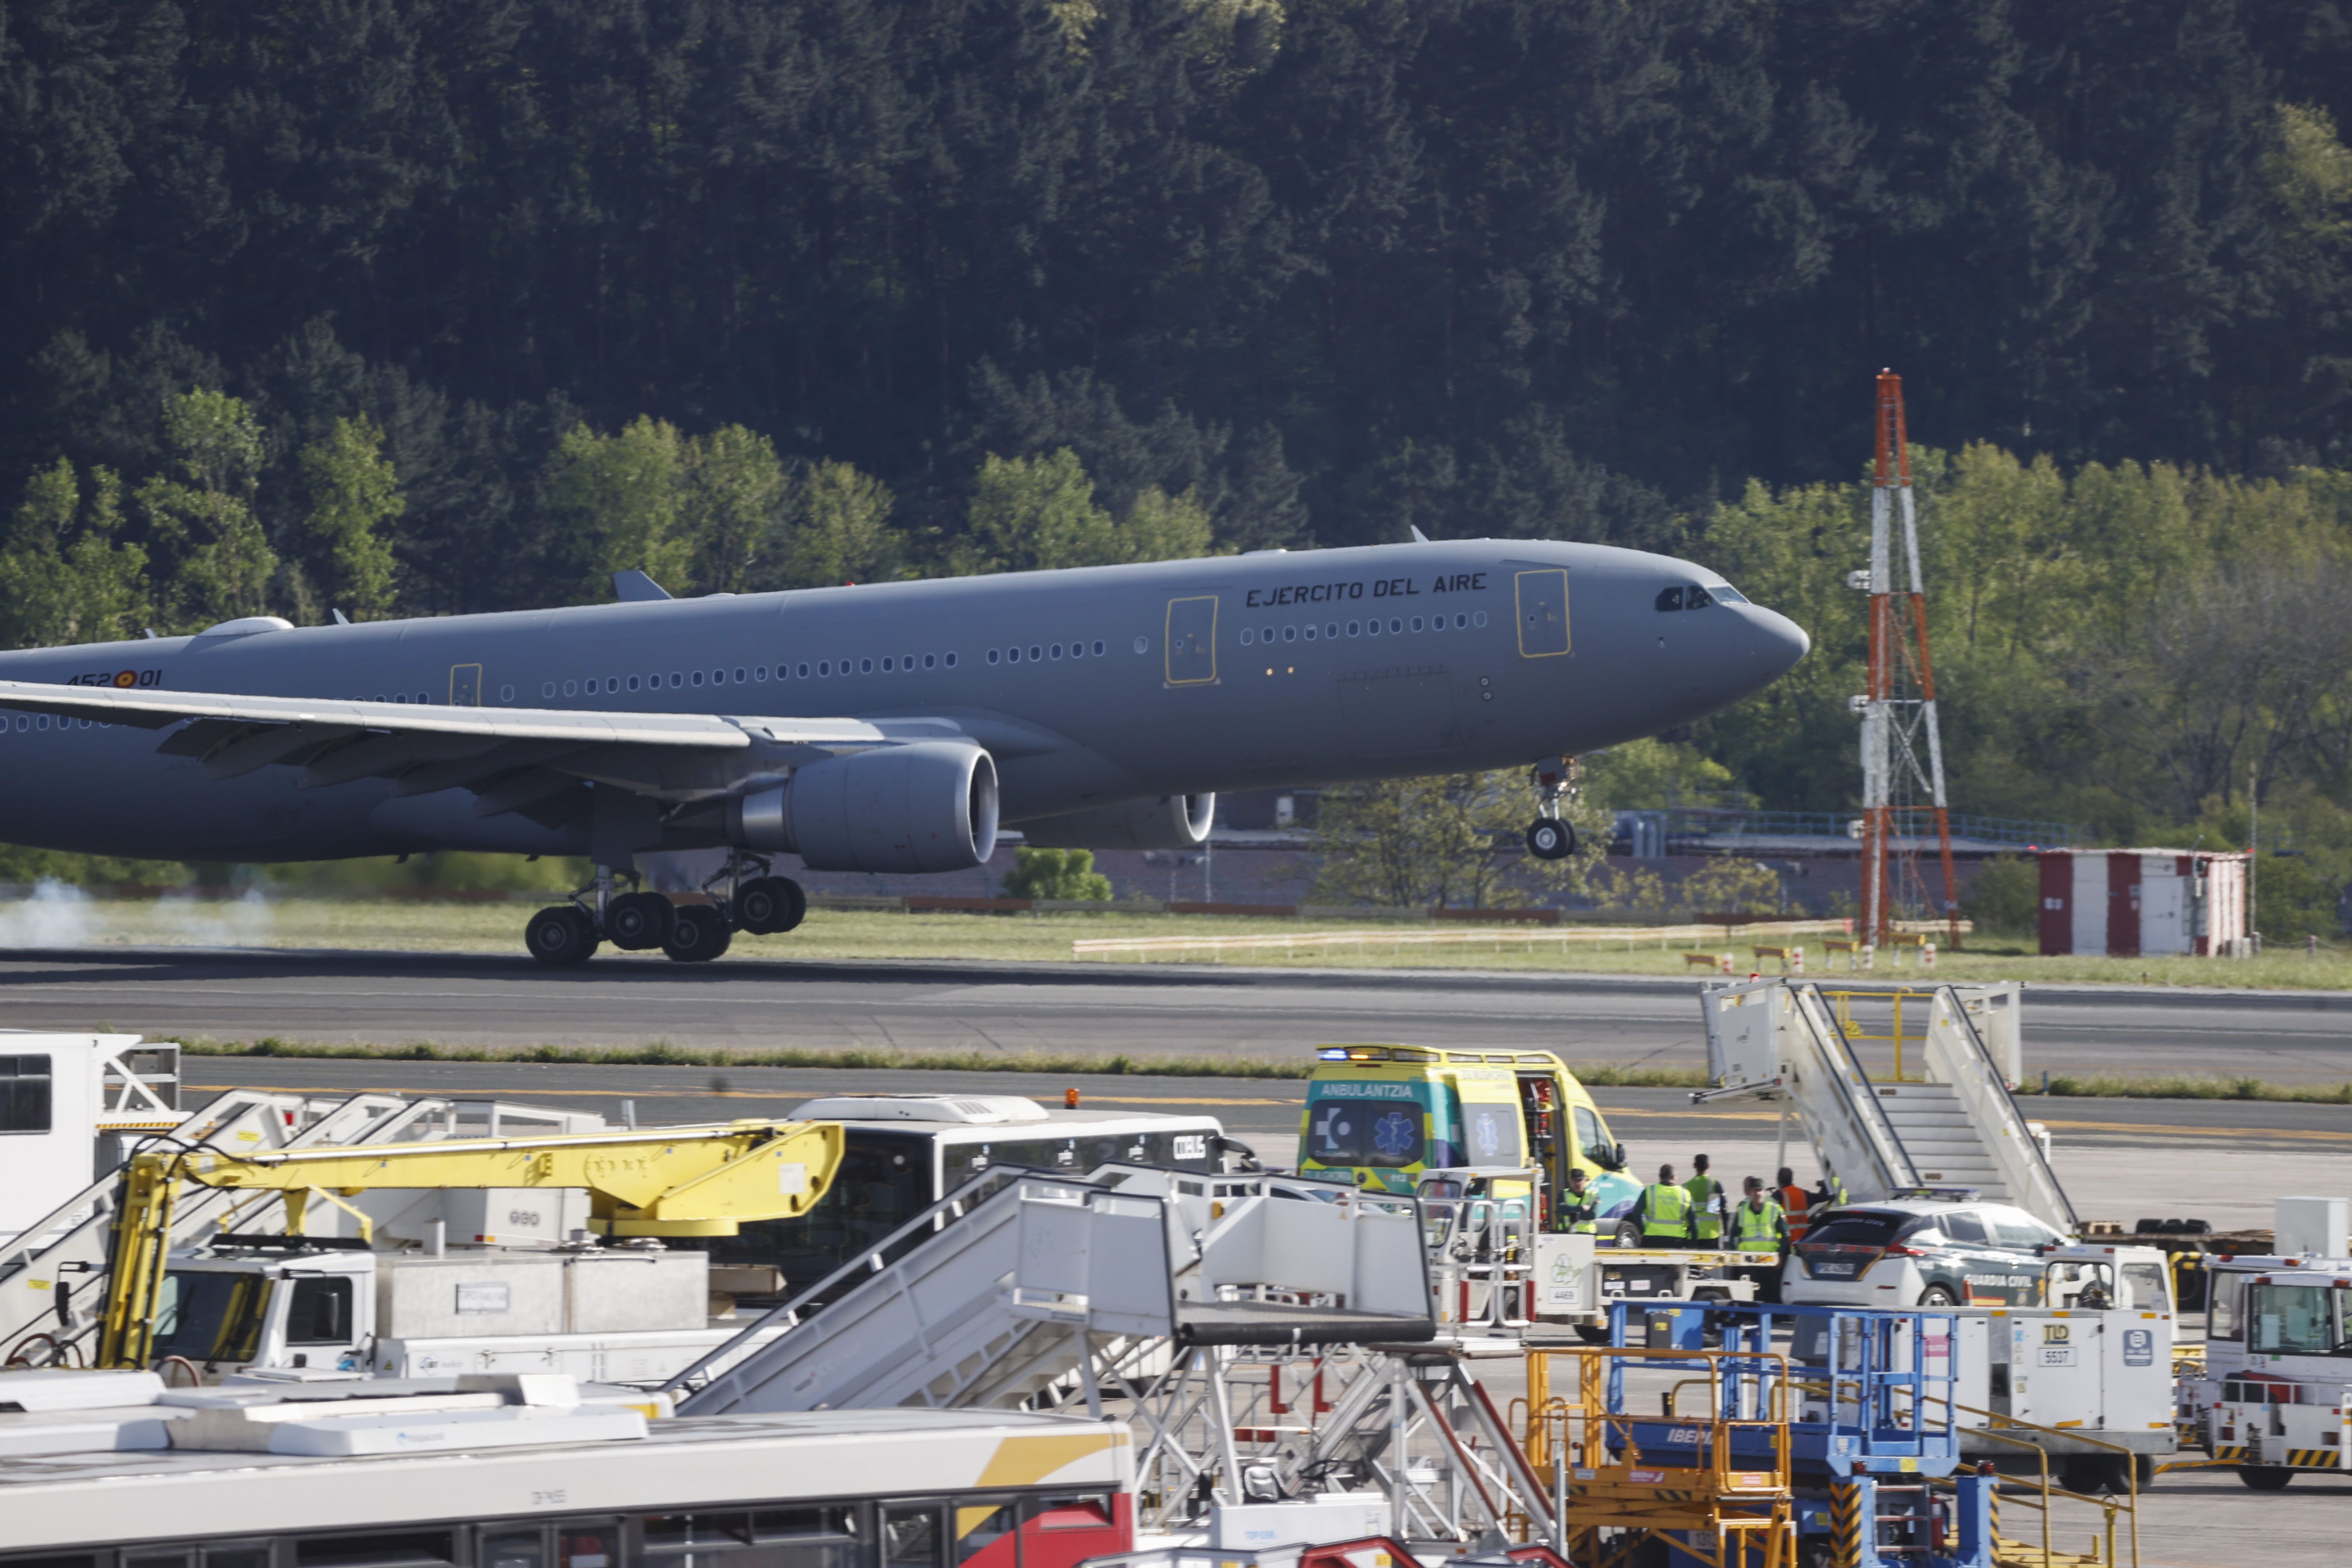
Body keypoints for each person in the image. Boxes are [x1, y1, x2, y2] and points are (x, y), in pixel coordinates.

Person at [1731, 1176, 1789, 1303]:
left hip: (1768, 1261)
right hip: (1749, 1261)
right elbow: (1734, 1234)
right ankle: (1751, 1318)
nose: (1758, 1194)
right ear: (1750, 1192)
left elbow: (1786, 1234)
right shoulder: (1742, 1211)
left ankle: (1772, 1319)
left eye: (1761, 1190)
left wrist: (1780, 1256)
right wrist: (1736, 1254)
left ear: (1764, 1192)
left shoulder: (1774, 1209)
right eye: (1755, 1191)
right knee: (1751, 1294)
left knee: (1770, 1293)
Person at [1638, 1163, 1694, 1246]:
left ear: (1660, 1177)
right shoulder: (1685, 1194)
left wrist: (1642, 1231)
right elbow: (1693, 1221)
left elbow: (1636, 1213)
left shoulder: (1649, 1191)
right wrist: (1694, 1242)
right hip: (1677, 1240)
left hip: (1652, 1239)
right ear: (1673, 1177)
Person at [1685, 1153, 1725, 1248]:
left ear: (1694, 1166)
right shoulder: (1714, 1185)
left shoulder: (1687, 1187)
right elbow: (1722, 1209)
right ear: (1708, 1166)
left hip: (1693, 1235)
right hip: (1711, 1235)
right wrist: (1726, 1230)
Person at [1559, 1167, 1600, 1233]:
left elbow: (1592, 1215)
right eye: (1575, 1181)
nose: (1577, 1183)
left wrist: (1570, 1211)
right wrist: (1581, 1208)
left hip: (1587, 1234)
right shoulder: (1563, 1194)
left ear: (1585, 1181)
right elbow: (1561, 1210)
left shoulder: (1593, 1195)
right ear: (1570, 1181)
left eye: (1580, 1180)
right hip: (1567, 1234)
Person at [1776, 1165, 1811, 1241]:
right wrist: (1831, 1197)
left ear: (1779, 1180)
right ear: (1791, 1179)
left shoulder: (1779, 1195)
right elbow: (1818, 1198)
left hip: (1788, 1239)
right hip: (1802, 1239)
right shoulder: (1802, 1193)